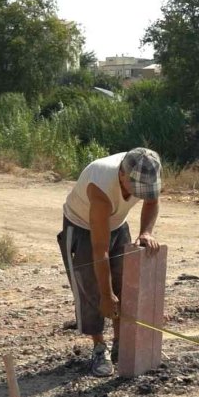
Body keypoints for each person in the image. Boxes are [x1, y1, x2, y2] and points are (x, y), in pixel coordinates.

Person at [58, 148, 162, 377]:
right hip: (83, 227)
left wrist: (146, 232)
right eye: (137, 190)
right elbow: (99, 250)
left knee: (123, 284)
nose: (141, 194)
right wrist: (105, 296)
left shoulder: (146, 169)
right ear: (123, 175)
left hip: (117, 224)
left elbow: (152, 202)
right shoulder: (100, 186)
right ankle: (99, 347)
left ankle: (120, 343)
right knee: (92, 288)